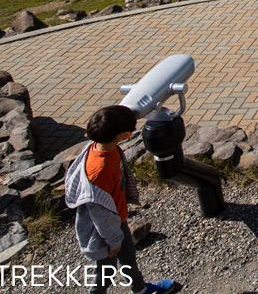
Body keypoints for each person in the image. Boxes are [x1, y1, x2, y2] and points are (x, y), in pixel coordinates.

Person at [65, 105, 177, 294]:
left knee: (128, 259)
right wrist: (114, 241)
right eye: (130, 129)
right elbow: (100, 215)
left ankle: (140, 289)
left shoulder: (101, 148)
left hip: (118, 220)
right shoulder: (100, 170)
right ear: (122, 135)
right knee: (105, 271)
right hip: (105, 233)